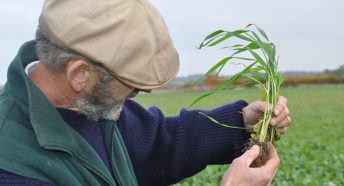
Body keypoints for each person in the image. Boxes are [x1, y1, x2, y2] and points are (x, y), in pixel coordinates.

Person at [0, 0, 291, 185]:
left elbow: (161, 144)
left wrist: (239, 122)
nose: (146, 89)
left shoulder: (89, 106)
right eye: (133, 85)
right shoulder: (12, 165)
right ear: (80, 74)